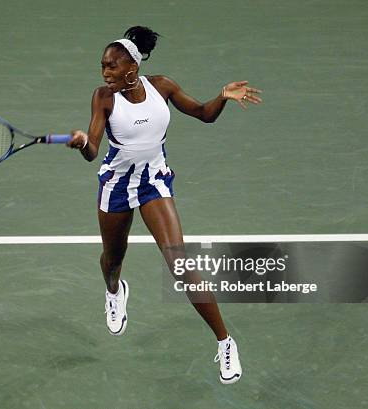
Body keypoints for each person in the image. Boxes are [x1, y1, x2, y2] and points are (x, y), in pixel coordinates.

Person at [67, 26, 262, 384]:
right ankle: (114, 291)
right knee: (113, 259)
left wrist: (222, 96)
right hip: (118, 185)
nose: (105, 73)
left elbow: (205, 114)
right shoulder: (103, 98)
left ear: (131, 67)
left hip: (154, 182)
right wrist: (82, 143)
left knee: (181, 263)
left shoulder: (163, 87)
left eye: (111, 66)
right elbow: (93, 150)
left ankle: (225, 342)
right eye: (103, 66)